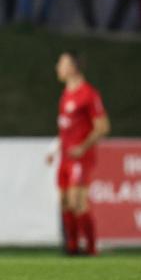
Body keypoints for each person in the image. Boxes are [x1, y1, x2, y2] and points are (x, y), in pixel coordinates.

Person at [46, 51, 109, 256]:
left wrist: (83, 147)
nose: (58, 68)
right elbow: (65, 129)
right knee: (64, 201)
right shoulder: (65, 95)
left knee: (77, 202)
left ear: (73, 67)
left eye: (61, 64)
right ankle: (72, 248)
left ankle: (91, 249)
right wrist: (54, 150)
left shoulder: (89, 94)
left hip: (80, 158)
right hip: (64, 157)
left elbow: (102, 127)